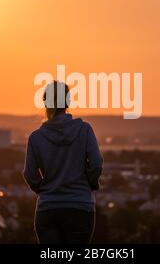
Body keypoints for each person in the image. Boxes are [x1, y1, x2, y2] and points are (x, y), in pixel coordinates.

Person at [23, 80, 103, 244]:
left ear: (45, 102)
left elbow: (29, 174)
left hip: (48, 208)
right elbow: (95, 163)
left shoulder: (36, 138)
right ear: (68, 101)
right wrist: (90, 183)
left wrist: (44, 190)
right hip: (80, 206)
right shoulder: (84, 130)